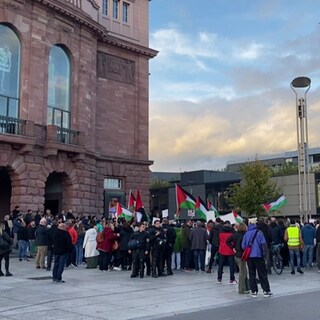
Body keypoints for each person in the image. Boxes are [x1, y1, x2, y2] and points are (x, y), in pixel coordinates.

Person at [242, 218, 273, 297]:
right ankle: (266, 290)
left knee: (252, 274)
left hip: (249, 257)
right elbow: (263, 244)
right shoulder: (259, 233)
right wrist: (264, 254)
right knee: (262, 273)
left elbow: (243, 246)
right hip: (258, 256)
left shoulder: (246, 234)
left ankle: (254, 291)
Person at [227, 223, 250, 294]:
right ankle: (241, 289)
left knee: (244, 271)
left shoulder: (235, 234)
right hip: (242, 255)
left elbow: (227, 241)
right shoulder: (245, 235)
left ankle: (247, 287)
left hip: (236, 255)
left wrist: (233, 248)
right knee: (242, 272)